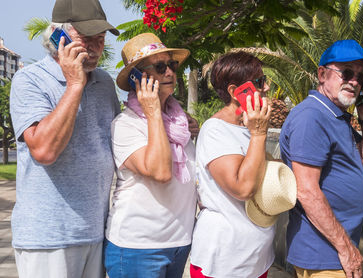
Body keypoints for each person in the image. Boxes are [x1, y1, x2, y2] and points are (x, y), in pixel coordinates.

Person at [9, 0, 120, 277]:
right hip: (47, 238)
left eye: (101, 39)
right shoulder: (29, 80)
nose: (96, 48)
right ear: (58, 36)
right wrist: (74, 84)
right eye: (87, 39)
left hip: (96, 232)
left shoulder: (105, 83)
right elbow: (44, 151)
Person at [279, 39, 363, 278]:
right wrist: (346, 250)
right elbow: (306, 191)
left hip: (333, 251)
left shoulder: (335, 116)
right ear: (322, 74)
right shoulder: (312, 116)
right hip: (324, 253)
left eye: (361, 77)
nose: (354, 82)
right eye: (346, 73)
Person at [103, 33, 197, 278]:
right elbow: (161, 173)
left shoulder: (179, 124)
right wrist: (153, 110)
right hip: (139, 247)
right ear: (137, 77)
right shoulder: (126, 125)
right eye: (159, 67)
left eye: (172, 65)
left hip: (178, 242)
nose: (169, 73)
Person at [190, 51, 275, 278]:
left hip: (256, 258)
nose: (265, 87)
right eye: (259, 82)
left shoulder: (247, 126)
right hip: (225, 262)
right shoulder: (215, 130)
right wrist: (259, 134)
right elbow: (243, 188)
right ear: (234, 92)